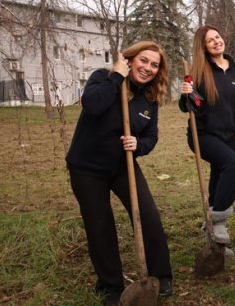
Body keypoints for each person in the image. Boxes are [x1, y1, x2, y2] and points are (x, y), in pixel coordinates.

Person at [66, 41, 173, 305]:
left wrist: (139, 145)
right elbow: (92, 105)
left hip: (122, 166)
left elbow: (151, 136)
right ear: (131, 59)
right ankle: (110, 285)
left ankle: (161, 274)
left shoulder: (149, 99)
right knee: (100, 224)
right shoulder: (103, 78)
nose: (148, 68)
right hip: (87, 167)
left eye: (154, 65)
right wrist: (116, 76)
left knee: (147, 214)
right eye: (144, 60)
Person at [179, 25, 235, 257]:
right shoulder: (199, 72)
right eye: (210, 41)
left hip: (229, 136)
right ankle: (217, 221)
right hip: (204, 135)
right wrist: (186, 94)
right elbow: (190, 107)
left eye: (218, 37)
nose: (216, 42)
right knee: (233, 166)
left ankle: (214, 242)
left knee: (219, 178)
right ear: (204, 47)